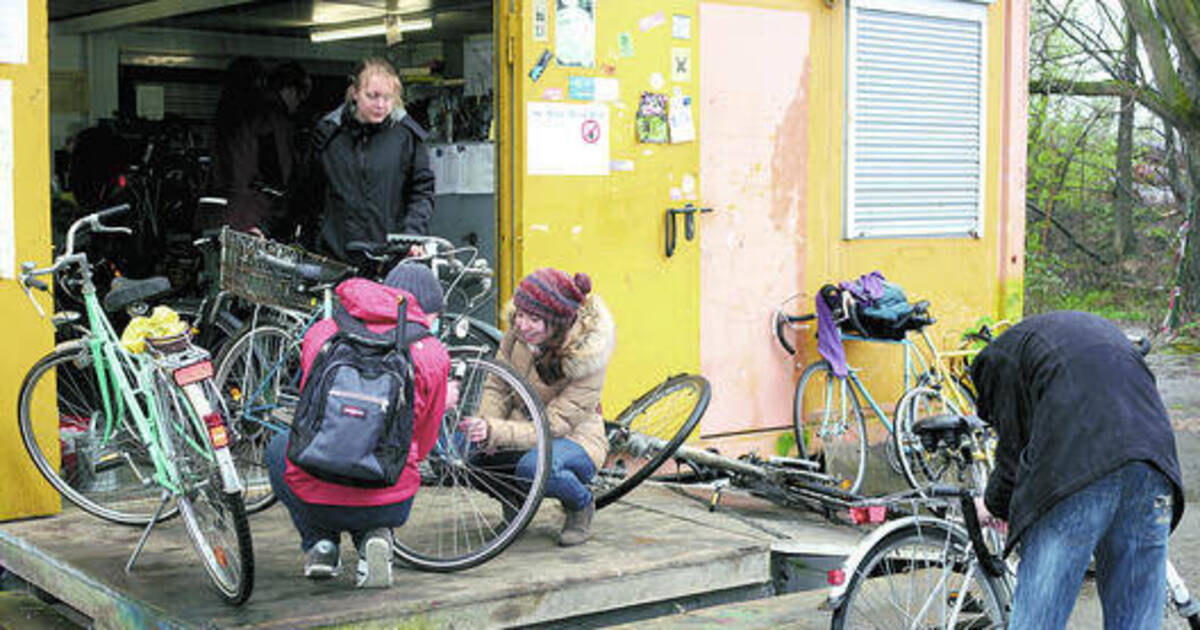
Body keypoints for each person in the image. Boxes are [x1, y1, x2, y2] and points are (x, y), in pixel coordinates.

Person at [970, 310, 1185, 629]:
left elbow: (1013, 448)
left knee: (1039, 619)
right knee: (1137, 620)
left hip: (1077, 474)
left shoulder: (997, 360)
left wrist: (991, 505)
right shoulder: (1083, 335)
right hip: (1155, 465)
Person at [265, 264, 450, 588]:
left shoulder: (323, 332)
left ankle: (320, 543)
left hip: (315, 495)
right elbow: (425, 440)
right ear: (424, 310)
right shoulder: (432, 352)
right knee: (401, 453)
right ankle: (373, 539)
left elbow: (309, 418)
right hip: (390, 500)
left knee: (279, 448)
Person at [457, 268, 615, 546]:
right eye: (519, 314)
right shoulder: (516, 336)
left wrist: (498, 432)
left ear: (557, 323)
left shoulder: (587, 357)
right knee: (464, 452)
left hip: (575, 438)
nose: (522, 325)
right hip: (522, 425)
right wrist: (486, 425)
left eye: (534, 319)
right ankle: (515, 501)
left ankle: (581, 504)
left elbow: (554, 425)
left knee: (535, 468)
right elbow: (497, 385)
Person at [303, 57, 435, 268]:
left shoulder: (407, 136)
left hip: (392, 259)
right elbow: (305, 191)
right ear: (355, 92)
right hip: (337, 260)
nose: (381, 105)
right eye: (372, 96)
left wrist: (412, 235)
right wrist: (269, 228)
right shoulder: (328, 134)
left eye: (388, 97)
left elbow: (422, 192)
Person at [208, 58, 310, 238]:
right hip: (253, 215)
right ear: (291, 90)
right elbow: (281, 174)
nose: (298, 107)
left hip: (218, 211)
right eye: (301, 99)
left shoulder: (225, 115)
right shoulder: (272, 117)